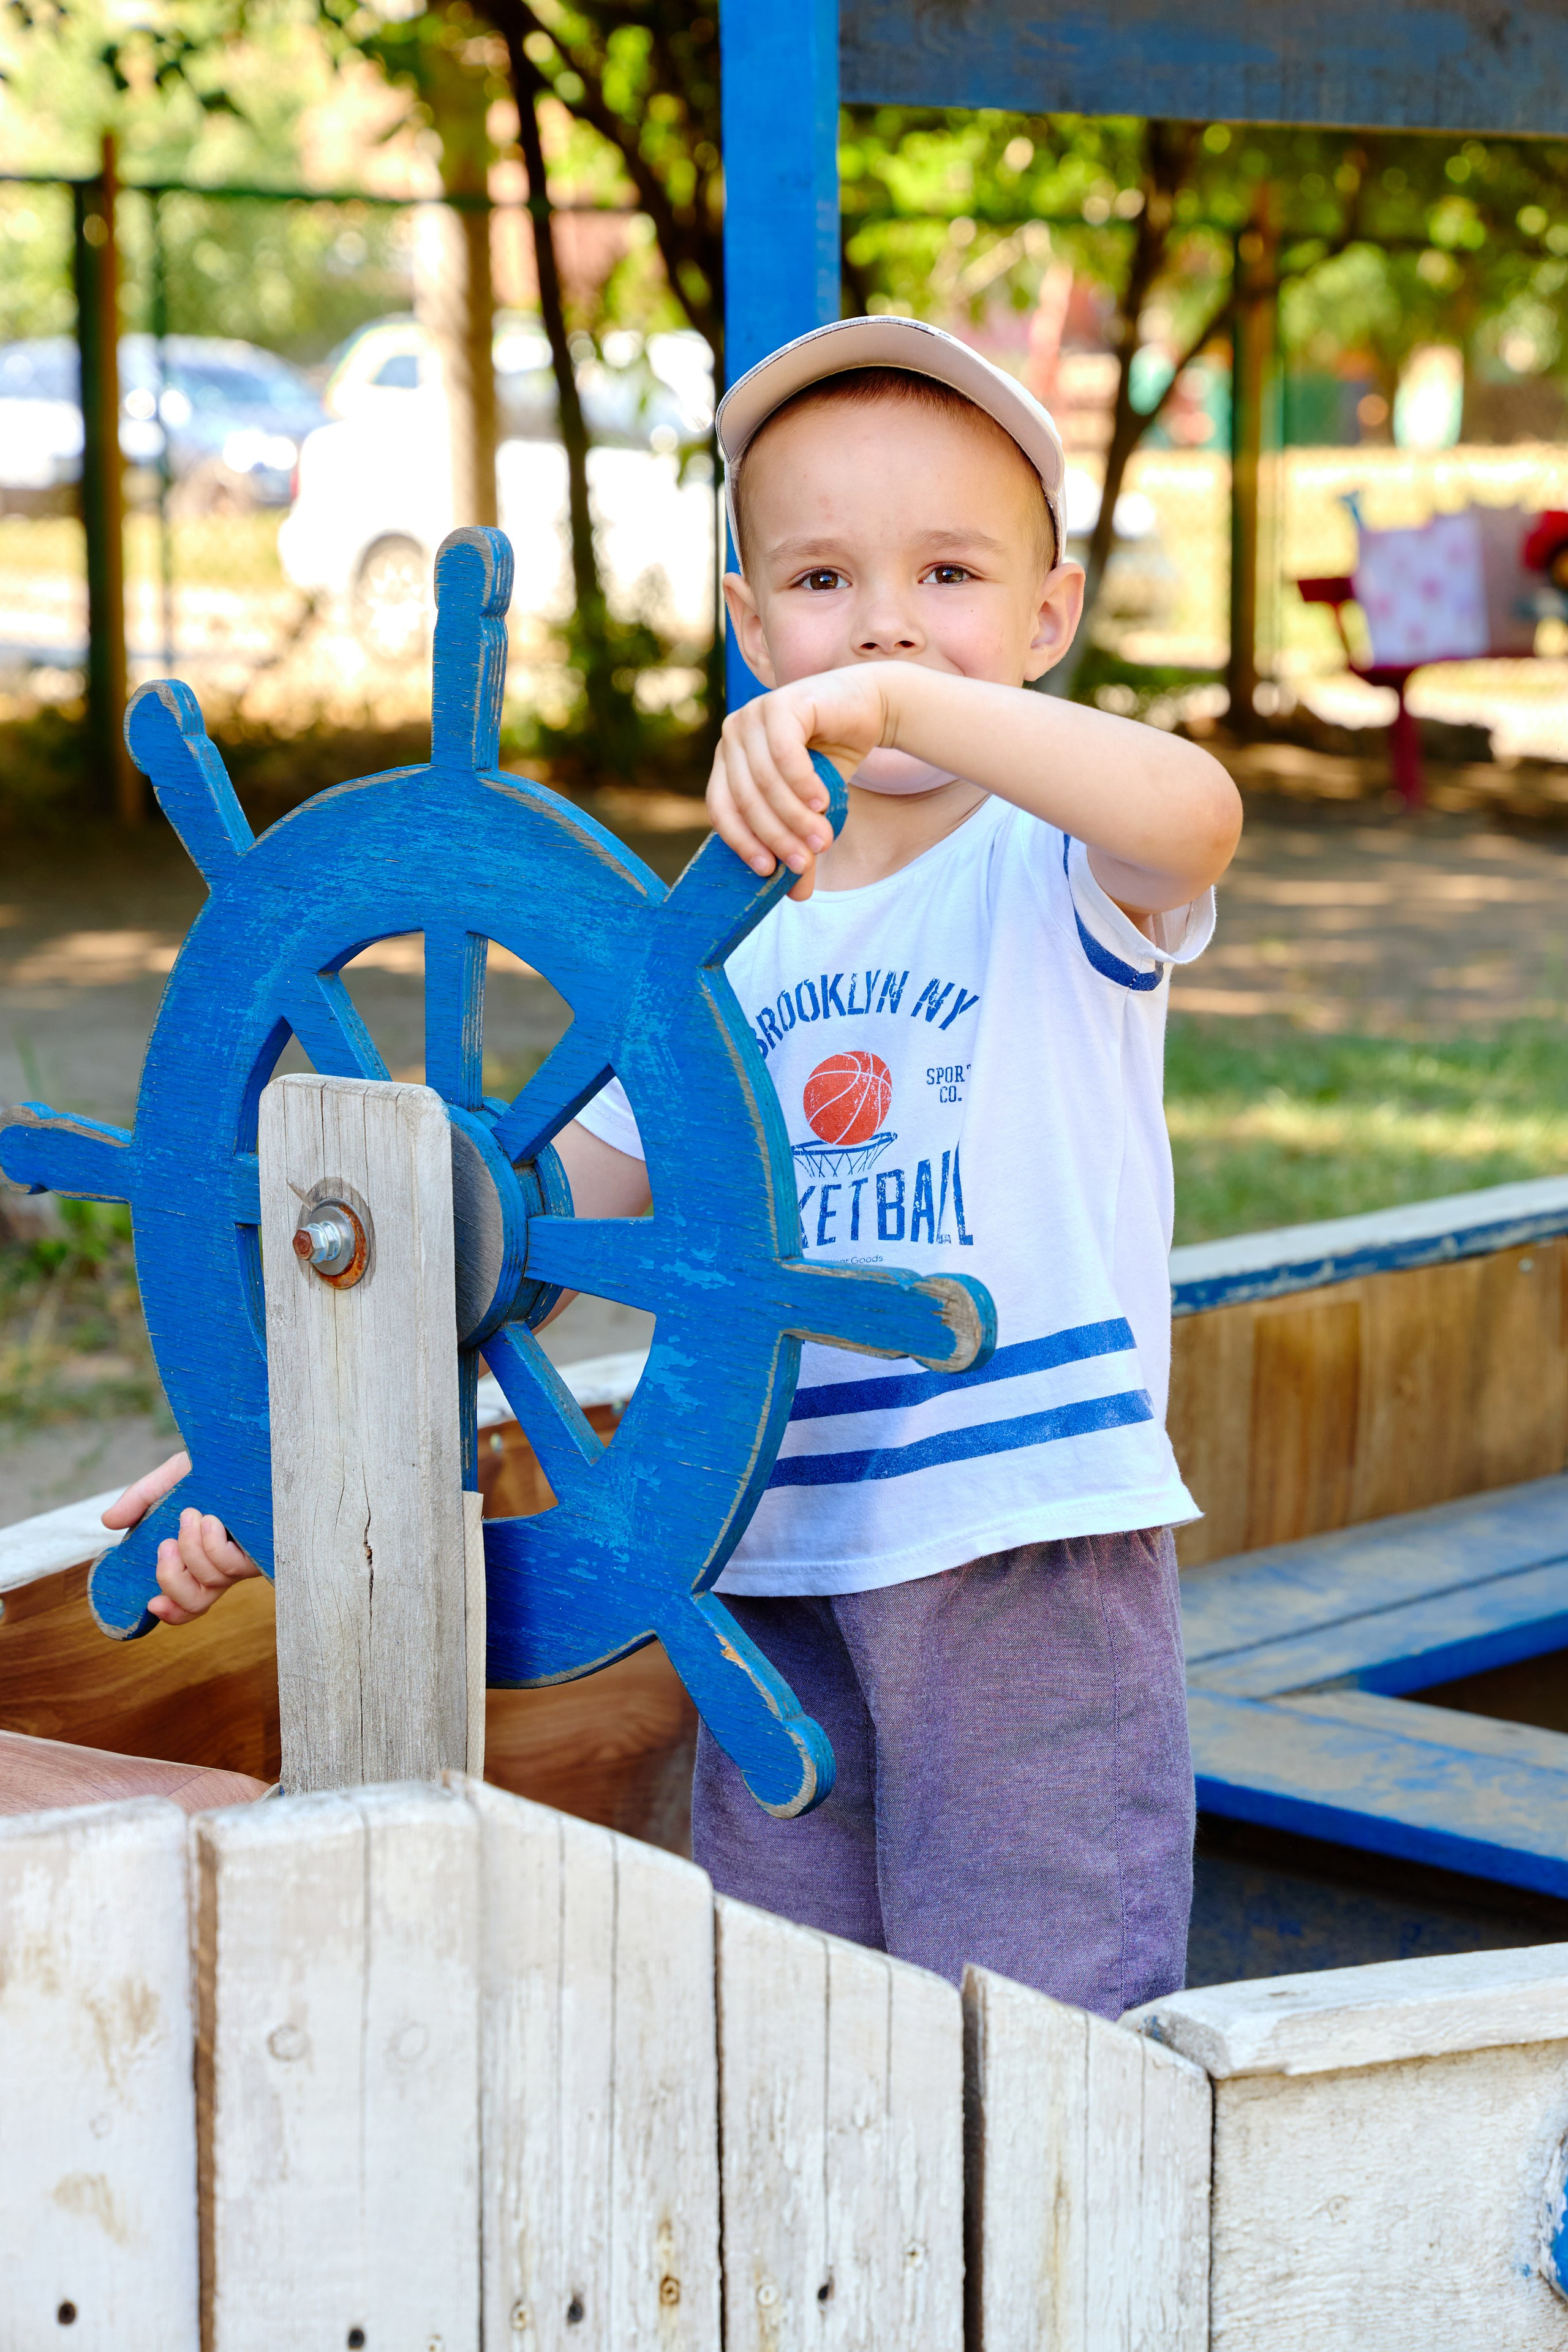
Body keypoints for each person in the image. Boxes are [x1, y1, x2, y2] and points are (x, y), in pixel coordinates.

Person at [108, 315, 1240, 2019]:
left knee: (1051, 2025)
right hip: (754, 1549)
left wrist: (896, 702)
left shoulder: (1057, 869)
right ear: (744, 623)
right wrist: (259, 1447)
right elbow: (492, 1243)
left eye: (947, 576)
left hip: (1018, 1543)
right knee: (787, 2032)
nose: (881, 623)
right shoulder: (706, 957)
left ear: (1048, 619)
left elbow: (1196, 814)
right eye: (822, 584)